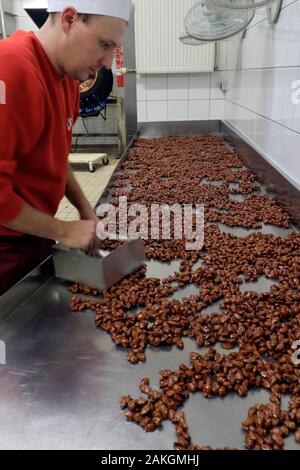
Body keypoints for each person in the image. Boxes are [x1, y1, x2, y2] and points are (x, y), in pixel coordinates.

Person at [0, 0, 132, 295]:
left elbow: (56, 158)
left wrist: (86, 211)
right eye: (104, 44)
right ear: (69, 19)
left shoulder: (68, 79)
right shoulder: (9, 68)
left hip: (35, 235)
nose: (107, 62)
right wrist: (63, 230)